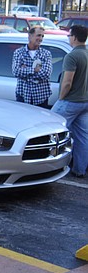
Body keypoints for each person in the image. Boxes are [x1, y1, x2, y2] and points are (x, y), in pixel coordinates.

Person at [52, 24, 88, 178]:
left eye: (69, 35)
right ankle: (80, 170)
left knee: (49, 129)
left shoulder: (72, 56)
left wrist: (61, 98)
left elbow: (67, 82)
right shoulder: (86, 54)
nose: (68, 38)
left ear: (74, 37)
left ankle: (47, 168)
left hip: (70, 101)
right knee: (82, 137)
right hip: (85, 102)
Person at [12, 26, 52, 107]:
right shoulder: (19, 52)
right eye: (38, 35)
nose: (40, 38)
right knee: (23, 119)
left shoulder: (46, 54)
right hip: (23, 96)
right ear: (30, 36)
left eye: (42, 36)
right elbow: (16, 71)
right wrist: (34, 70)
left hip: (41, 97)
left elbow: (46, 73)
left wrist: (25, 71)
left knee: (41, 120)